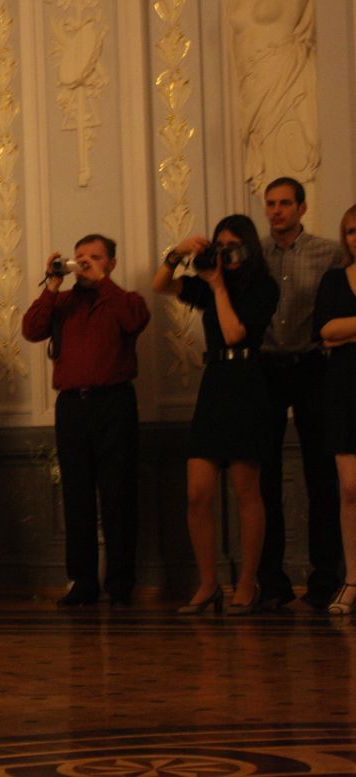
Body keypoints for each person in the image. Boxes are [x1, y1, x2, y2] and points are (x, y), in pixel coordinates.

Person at [152, 215, 279, 616]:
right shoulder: (208, 283)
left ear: (249, 248)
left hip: (248, 384)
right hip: (215, 385)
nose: (225, 254)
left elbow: (235, 334)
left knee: (246, 491)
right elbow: (160, 285)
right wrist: (177, 253)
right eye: (219, 247)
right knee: (197, 493)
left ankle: (247, 583)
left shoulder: (263, 287)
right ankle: (208, 584)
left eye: (232, 246)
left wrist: (219, 286)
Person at [21, 234, 150, 607]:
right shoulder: (62, 303)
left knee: (118, 496)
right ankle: (82, 582)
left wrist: (103, 283)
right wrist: (51, 285)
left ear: (111, 264)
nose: (85, 263)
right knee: (76, 497)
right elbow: (31, 330)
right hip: (72, 407)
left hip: (115, 404)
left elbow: (134, 320)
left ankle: (120, 583)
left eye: (94, 257)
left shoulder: (125, 300)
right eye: (80, 257)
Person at [257, 177, 346, 610]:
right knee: (265, 477)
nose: (276, 211)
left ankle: (325, 580)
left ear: (302, 208)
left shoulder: (329, 252)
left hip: (313, 366)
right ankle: (271, 583)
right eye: (270, 203)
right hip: (266, 368)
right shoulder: (254, 254)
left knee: (322, 476)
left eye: (284, 203)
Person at [313, 204, 356, 614]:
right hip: (344, 389)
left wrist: (347, 330)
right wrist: (338, 334)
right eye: (351, 231)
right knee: (350, 488)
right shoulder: (333, 279)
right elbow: (325, 331)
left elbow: (340, 331)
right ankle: (352, 579)